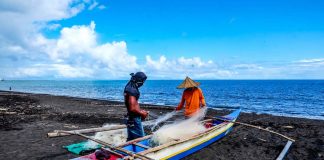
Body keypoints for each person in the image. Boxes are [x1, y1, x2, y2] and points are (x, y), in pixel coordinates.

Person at [124, 72, 149, 141]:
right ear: (139, 80)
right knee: (141, 140)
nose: (143, 84)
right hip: (134, 119)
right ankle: (142, 151)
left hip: (130, 118)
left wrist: (140, 111)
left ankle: (127, 150)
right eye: (143, 81)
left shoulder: (129, 86)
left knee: (131, 139)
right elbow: (132, 108)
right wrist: (142, 113)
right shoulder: (132, 90)